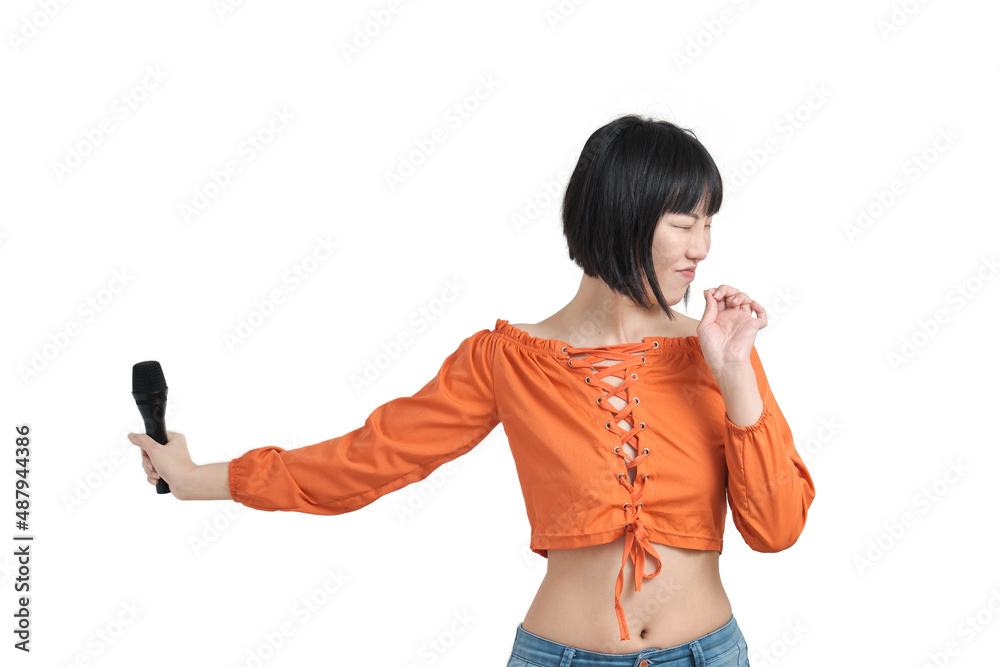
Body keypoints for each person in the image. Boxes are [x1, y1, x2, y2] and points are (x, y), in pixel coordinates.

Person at [130, 114, 815, 666]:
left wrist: (735, 381)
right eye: (684, 223)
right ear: (622, 215)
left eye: (709, 224)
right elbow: (368, 459)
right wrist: (198, 478)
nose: (702, 248)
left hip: (708, 654)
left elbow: (777, 529)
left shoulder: (717, 351)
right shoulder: (504, 359)